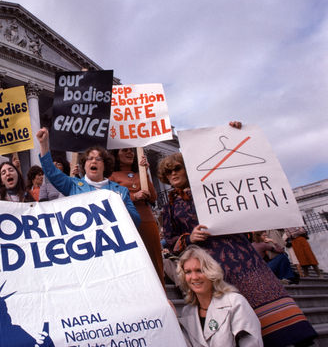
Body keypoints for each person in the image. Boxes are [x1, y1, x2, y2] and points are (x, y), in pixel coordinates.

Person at [158, 152, 317, 346]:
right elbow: (170, 240)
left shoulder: (215, 189)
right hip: (212, 264)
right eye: (168, 173)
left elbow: (231, 166)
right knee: (237, 314)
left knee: (271, 306)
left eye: (177, 169)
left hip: (243, 258)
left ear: (187, 169)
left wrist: (235, 132)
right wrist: (188, 237)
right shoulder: (170, 208)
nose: (173, 174)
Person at [36, 128, 140, 227]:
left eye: (98, 159)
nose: (93, 161)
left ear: (105, 166)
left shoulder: (121, 191)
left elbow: (136, 221)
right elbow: (52, 172)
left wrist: (122, 206)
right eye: (89, 159)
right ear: (84, 166)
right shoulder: (73, 185)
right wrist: (43, 144)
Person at [177, 245, 262, 347]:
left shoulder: (235, 302)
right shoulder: (187, 312)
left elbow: (252, 344)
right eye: (188, 272)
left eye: (199, 270)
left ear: (211, 272)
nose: (194, 277)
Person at [110, 147, 163, 284]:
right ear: (116, 155)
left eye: (131, 151)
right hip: (127, 221)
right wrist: (134, 196)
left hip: (147, 220)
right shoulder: (112, 176)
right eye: (124, 150)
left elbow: (153, 197)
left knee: (154, 260)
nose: (129, 153)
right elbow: (111, 198)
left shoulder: (140, 174)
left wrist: (144, 172)